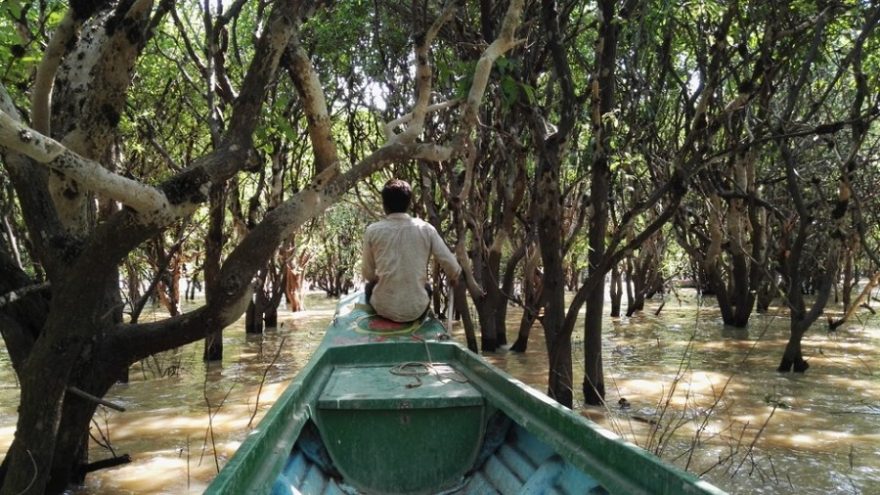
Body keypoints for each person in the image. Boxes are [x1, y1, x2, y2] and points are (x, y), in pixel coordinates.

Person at [362, 178, 461, 322]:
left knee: (369, 287)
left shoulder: (372, 231)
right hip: (417, 310)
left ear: (384, 205)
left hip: (383, 310)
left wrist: (378, 279)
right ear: (409, 204)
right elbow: (453, 267)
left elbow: (368, 273)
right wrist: (454, 277)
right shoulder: (426, 229)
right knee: (426, 287)